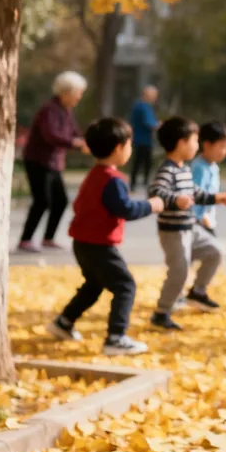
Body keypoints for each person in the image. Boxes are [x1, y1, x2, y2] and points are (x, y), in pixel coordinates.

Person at [47, 117, 162, 356]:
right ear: (119, 148)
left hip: (82, 242)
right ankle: (116, 338)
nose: (130, 150)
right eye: (129, 145)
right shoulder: (113, 180)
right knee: (125, 285)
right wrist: (152, 205)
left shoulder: (93, 175)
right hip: (99, 245)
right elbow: (126, 209)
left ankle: (64, 322)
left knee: (94, 284)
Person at [148, 117, 226, 330]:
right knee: (180, 271)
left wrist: (216, 198)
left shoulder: (184, 169)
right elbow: (156, 192)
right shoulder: (167, 170)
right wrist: (174, 200)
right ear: (181, 143)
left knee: (215, 251)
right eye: (194, 141)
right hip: (174, 231)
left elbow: (195, 193)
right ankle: (162, 312)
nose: (197, 145)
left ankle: (198, 292)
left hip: (191, 228)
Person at [18, 71, 89, 253]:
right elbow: (51, 135)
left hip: (54, 162)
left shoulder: (66, 110)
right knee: (42, 200)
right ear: (67, 92)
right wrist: (74, 143)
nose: (79, 97)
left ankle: (48, 238)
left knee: (61, 201)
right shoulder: (49, 109)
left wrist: (85, 142)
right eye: (78, 93)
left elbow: (75, 132)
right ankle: (25, 240)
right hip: (38, 160)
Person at [191, 121, 226, 235]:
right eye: (221, 146)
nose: (224, 151)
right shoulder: (200, 168)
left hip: (208, 219)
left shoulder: (213, 166)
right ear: (207, 145)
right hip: (199, 222)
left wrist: (220, 198)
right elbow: (194, 196)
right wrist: (200, 217)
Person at [129, 86, 160, 191]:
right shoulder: (143, 107)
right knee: (143, 162)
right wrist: (157, 125)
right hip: (143, 139)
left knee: (138, 162)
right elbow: (149, 123)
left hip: (141, 139)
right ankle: (143, 183)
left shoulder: (140, 106)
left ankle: (134, 184)